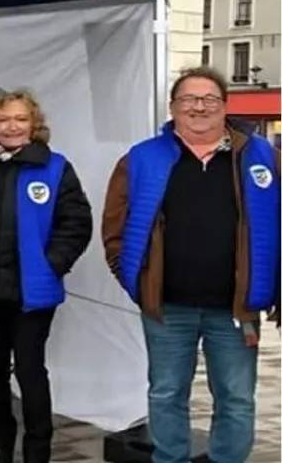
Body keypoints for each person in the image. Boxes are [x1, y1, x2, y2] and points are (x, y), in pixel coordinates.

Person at [101, 66, 280, 463]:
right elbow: (114, 228)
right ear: (173, 107)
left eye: (209, 99)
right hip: (167, 308)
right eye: (188, 99)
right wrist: (137, 280)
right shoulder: (142, 158)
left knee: (236, 398)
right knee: (166, 394)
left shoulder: (262, 156)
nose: (199, 107)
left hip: (236, 310)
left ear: (224, 106)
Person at [0, 91, 93, 463]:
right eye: (4, 119)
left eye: (21, 119)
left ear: (33, 125)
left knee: (29, 369)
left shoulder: (55, 168)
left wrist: (51, 263)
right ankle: (0, 444)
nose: (12, 126)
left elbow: (76, 223)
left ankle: (37, 450)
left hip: (31, 291)